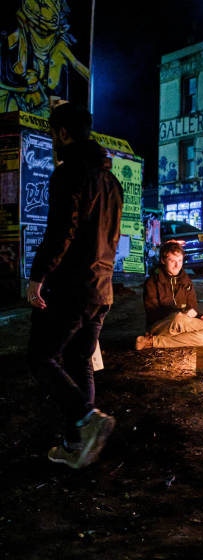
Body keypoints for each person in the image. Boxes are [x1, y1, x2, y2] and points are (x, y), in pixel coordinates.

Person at [26, 102, 123, 469]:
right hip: (102, 287)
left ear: (63, 133)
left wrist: (39, 276)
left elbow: (60, 231)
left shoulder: (69, 173)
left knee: (40, 357)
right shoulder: (110, 181)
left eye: (54, 132)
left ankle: (86, 418)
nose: (53, 139)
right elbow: (112, 237)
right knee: (79, 358)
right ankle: (76, 445)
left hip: (72, 286)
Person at [135, 241, 203, 350]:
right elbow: (153, 313)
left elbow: (192, 308)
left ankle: (151, 342)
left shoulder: (186, 281)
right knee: (178, 318)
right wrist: (181, 314)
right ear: (163, 260)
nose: (177, 265)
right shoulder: (152, 282)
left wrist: (200, 317)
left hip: (183, 325)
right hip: (160, 326)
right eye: (172, 261)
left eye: (180, 260)